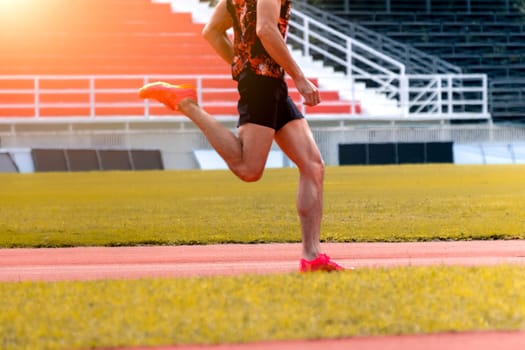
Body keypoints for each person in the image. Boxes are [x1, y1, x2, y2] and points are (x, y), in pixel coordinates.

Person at [139, 0, 346, 272]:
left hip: (267, 81)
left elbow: (211, 31)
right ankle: (187, 104)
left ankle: (312, 256)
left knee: (313, 167)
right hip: (263, 83)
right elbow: (266, 30)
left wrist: (244, 67)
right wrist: (299, 77)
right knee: (248, 169)